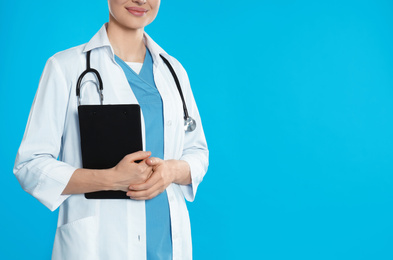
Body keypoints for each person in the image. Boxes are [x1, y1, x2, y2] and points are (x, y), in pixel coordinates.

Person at [13, 0, 209, 259]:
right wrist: (111, 179)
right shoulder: (65, 67)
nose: (141, 1)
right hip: (101, 244)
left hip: (166, 243)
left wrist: (172, 171)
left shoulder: (173, 71)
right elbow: (30, 164)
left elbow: (197, 151)